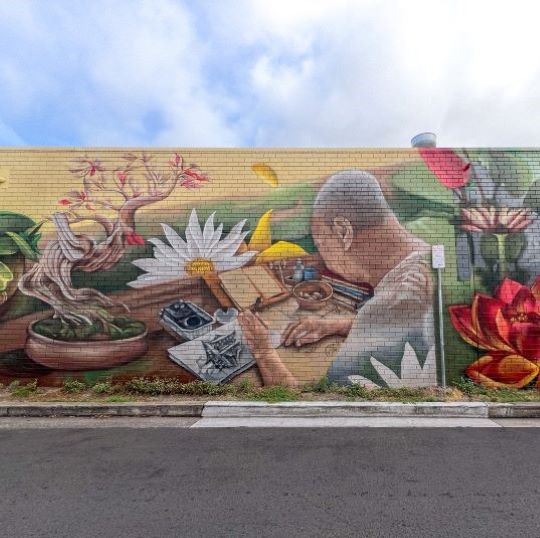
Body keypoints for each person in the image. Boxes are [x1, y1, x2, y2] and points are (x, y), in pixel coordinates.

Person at [238, 170, 434, 387]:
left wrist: (262, 350)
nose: (325, 259)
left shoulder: (392, 304)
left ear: (343, 231)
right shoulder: (428, 255)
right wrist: (333, 326)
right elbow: (394, 324)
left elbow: (310, 410)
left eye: (322, 244)